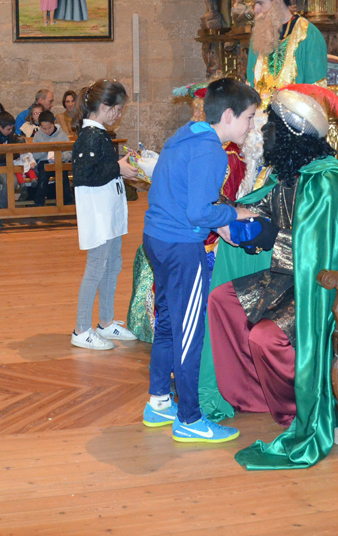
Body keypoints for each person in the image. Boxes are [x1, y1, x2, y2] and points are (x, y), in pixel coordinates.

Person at [199, 84, 338, 470]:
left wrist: (264, 237)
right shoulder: (295, 176)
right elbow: (261, 208)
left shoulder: (327, 183)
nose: (263, 132)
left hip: (325, 289)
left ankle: (297, 406)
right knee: (222, 301)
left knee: (266, 336)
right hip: (292, 279)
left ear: (293, 134)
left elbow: (324, 256)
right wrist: (222, 210)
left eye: (272, 126)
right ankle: (253, 395)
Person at [141, 78, 259, 443]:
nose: (251, 125)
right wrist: (235, 214)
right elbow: (198, 212)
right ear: (229, 115)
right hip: (181, 247)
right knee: (190, 333)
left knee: (167, 324)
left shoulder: (186, 136)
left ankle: (159, 401)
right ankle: (190, 418)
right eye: (249, 117)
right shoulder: (212, 151)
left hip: (157, 239)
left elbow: (183, 197)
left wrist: (220, 217)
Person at [71, 80, 138, 350]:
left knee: (113, 265)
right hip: (98, 214)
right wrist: (118, 168)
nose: (119, 115)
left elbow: (103, 168)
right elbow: (85, 176)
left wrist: (121, 166)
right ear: (104, 106)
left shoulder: (100, 134)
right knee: (96, 269)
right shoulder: (89, 136)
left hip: (110, 212)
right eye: (117, 109)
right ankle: (81, 329)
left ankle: (106, 322)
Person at [243, 0, 328, 106]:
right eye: (254, 4)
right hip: (258, 116)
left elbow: (316, 92)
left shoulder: (308, 35)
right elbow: (250, 86)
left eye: (260, 3)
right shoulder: (258, 35)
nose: (255, 9)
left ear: (278, 3)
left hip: (295, 116)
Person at [31, 110, 73, 207]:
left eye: (49, 128)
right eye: (44, 128)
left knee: (63, 177)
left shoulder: (62, 135)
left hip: (59, 161)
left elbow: (69, 152)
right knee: (42, 177)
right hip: (44, 161)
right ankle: (39, 202)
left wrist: (60, 157)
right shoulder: (38, 136)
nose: (47, 131)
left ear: (54, 123)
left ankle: (68, 202)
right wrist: (45, 150)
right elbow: (34, 154)